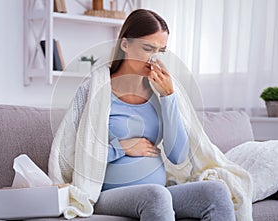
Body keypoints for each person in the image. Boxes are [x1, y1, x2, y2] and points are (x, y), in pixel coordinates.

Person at [49, 9, 239, 221]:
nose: (153, 58)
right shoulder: (94, 90)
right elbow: (76, 153)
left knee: (216, 192)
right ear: (125, 44)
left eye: (161, 51)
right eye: (148, 48)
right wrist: (122, 147)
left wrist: (168, 97)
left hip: (158, 192)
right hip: (106, 194)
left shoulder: (160, 93)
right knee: (156, 195)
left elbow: (178, 155)